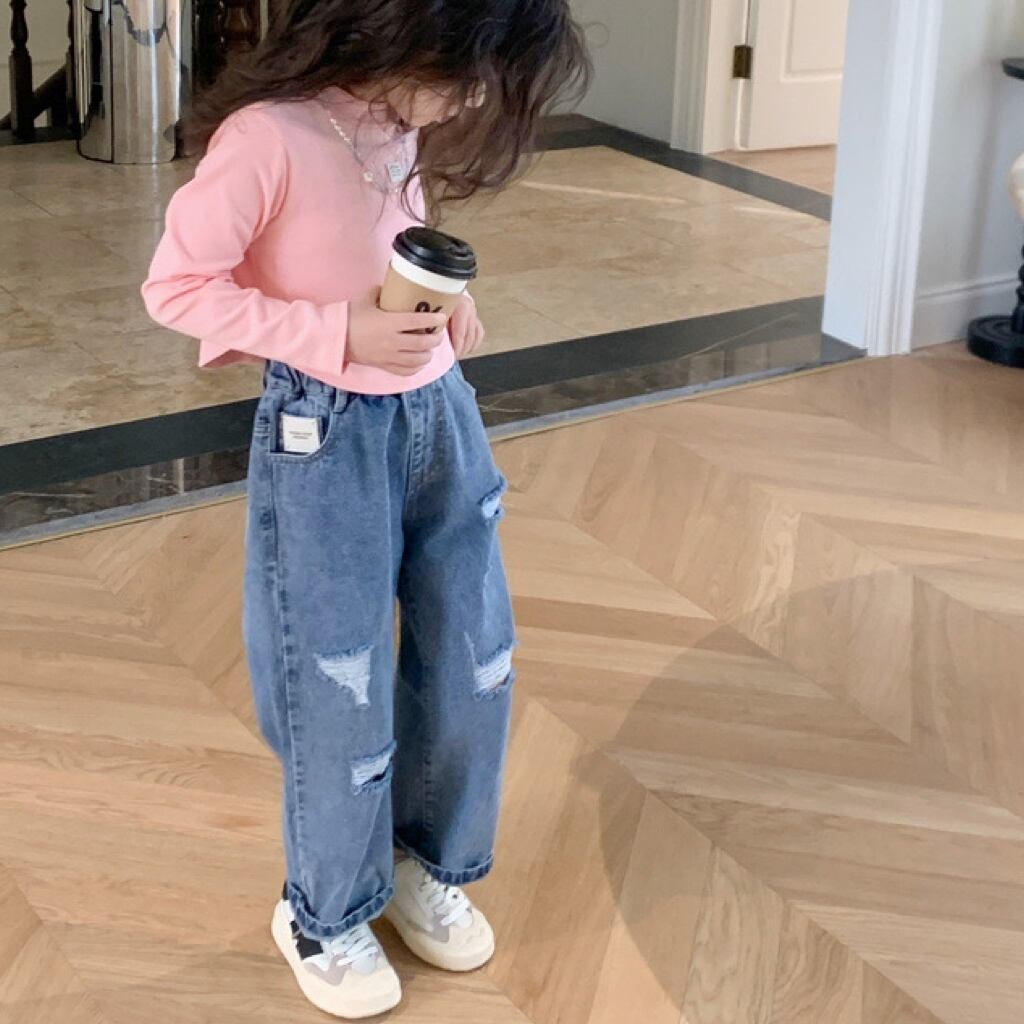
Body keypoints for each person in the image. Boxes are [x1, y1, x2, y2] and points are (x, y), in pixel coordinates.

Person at [142, 1, 589, 1017]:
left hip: (441, 413)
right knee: (335, 671)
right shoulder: (268, 138)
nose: (471, 100)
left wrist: (445, 303)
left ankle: (426, 857)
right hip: (326, 431)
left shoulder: (395, 121)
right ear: (408, 33)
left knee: (471, 650)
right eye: (467, 75)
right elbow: (176, 287)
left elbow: (391, 233)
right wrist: (333, 332)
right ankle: (325, 910)